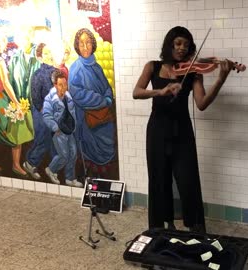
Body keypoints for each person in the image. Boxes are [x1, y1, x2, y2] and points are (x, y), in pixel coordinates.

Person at [133, 26, 235, 233]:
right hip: (157, 132)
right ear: (169, 44)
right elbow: (137, 92)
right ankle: (160, 230)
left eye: (186, 45)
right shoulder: (152, 66)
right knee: (159, 181)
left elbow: (202, 103)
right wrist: (161, 91)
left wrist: (221, 79)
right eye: (178, 43)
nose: (182, 48)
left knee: (188, 183)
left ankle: (196, 231)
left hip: (183, 133)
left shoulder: (193, 73)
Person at [0, 30, 33, 176]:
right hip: (1, 100)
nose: (1, 44)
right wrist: (17, 102)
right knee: (15, 130)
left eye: (2, 41)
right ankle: (16, 165)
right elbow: (6, 84)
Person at [68, 28, 115, 171]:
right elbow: (77, 93)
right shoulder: (76, 67)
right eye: (81, 43)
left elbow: (106, 86)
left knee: (107, 142)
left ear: (93, 44)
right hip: (87, 119)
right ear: (77, 46)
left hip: (103, 116)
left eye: (88, 42)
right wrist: (102, 100)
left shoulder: (97, 66)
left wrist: (108, 96)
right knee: (90, 149)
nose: (85, 47)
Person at [23, 43, 57, 181]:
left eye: (50, 53)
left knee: (55, 140)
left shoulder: (56, 72)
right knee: (43, 139)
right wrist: (43, 109)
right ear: (40, 57)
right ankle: (30, 163)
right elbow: (35, 96)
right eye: (46, 53)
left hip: (55, 111)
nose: (49, 56)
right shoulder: (38, 74)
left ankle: (53, 169)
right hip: (42, 113)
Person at [42, 69, 81, 187]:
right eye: (60, 85)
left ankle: (70, 178)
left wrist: (74, 126)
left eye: (65, 84)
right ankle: (51, 170)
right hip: (59, 132)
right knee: (64, 155)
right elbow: (46, 115)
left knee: (73, 154)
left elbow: (72, 112)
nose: (64, 87)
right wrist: (55, 127)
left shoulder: (68, 97)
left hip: (69, 130)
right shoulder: (50, 99)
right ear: (55, 85)